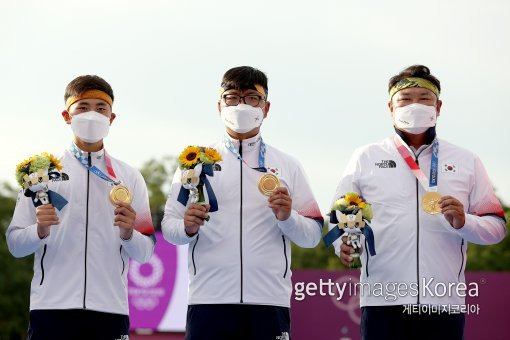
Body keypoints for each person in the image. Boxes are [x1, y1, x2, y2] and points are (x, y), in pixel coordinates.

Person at [331, 65, 507, 340]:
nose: (415, 104)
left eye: (424, 98)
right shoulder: (366, 156)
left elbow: (497, 227)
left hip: (444, 303)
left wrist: (465, 222)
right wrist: (341, 245)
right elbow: (340, 218)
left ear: (438, 106)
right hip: (382, 301)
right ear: (391, 107)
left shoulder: (466, 160)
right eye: (406, 98)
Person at [162, 66, 323, 340]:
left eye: (251, 97)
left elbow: (313, 235)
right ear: (219, 106)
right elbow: (169, 228)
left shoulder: (288, 165)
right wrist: (187, 227)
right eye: (232, 97)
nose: (241, 105)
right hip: (208, 301)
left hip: (269, 302)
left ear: (266, 107)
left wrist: (288, 217)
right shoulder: (195, 163)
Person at [6, 75, 155, 340]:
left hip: (110, 310)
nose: (92, 115)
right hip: (51, 308)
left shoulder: (129, 177)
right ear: (66, 115)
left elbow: (145, 253)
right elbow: (16, 245)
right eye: (83, 107)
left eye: (101, 108)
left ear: (112, 118)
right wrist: (39, 230)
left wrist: (129, 233)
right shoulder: (40, 173)